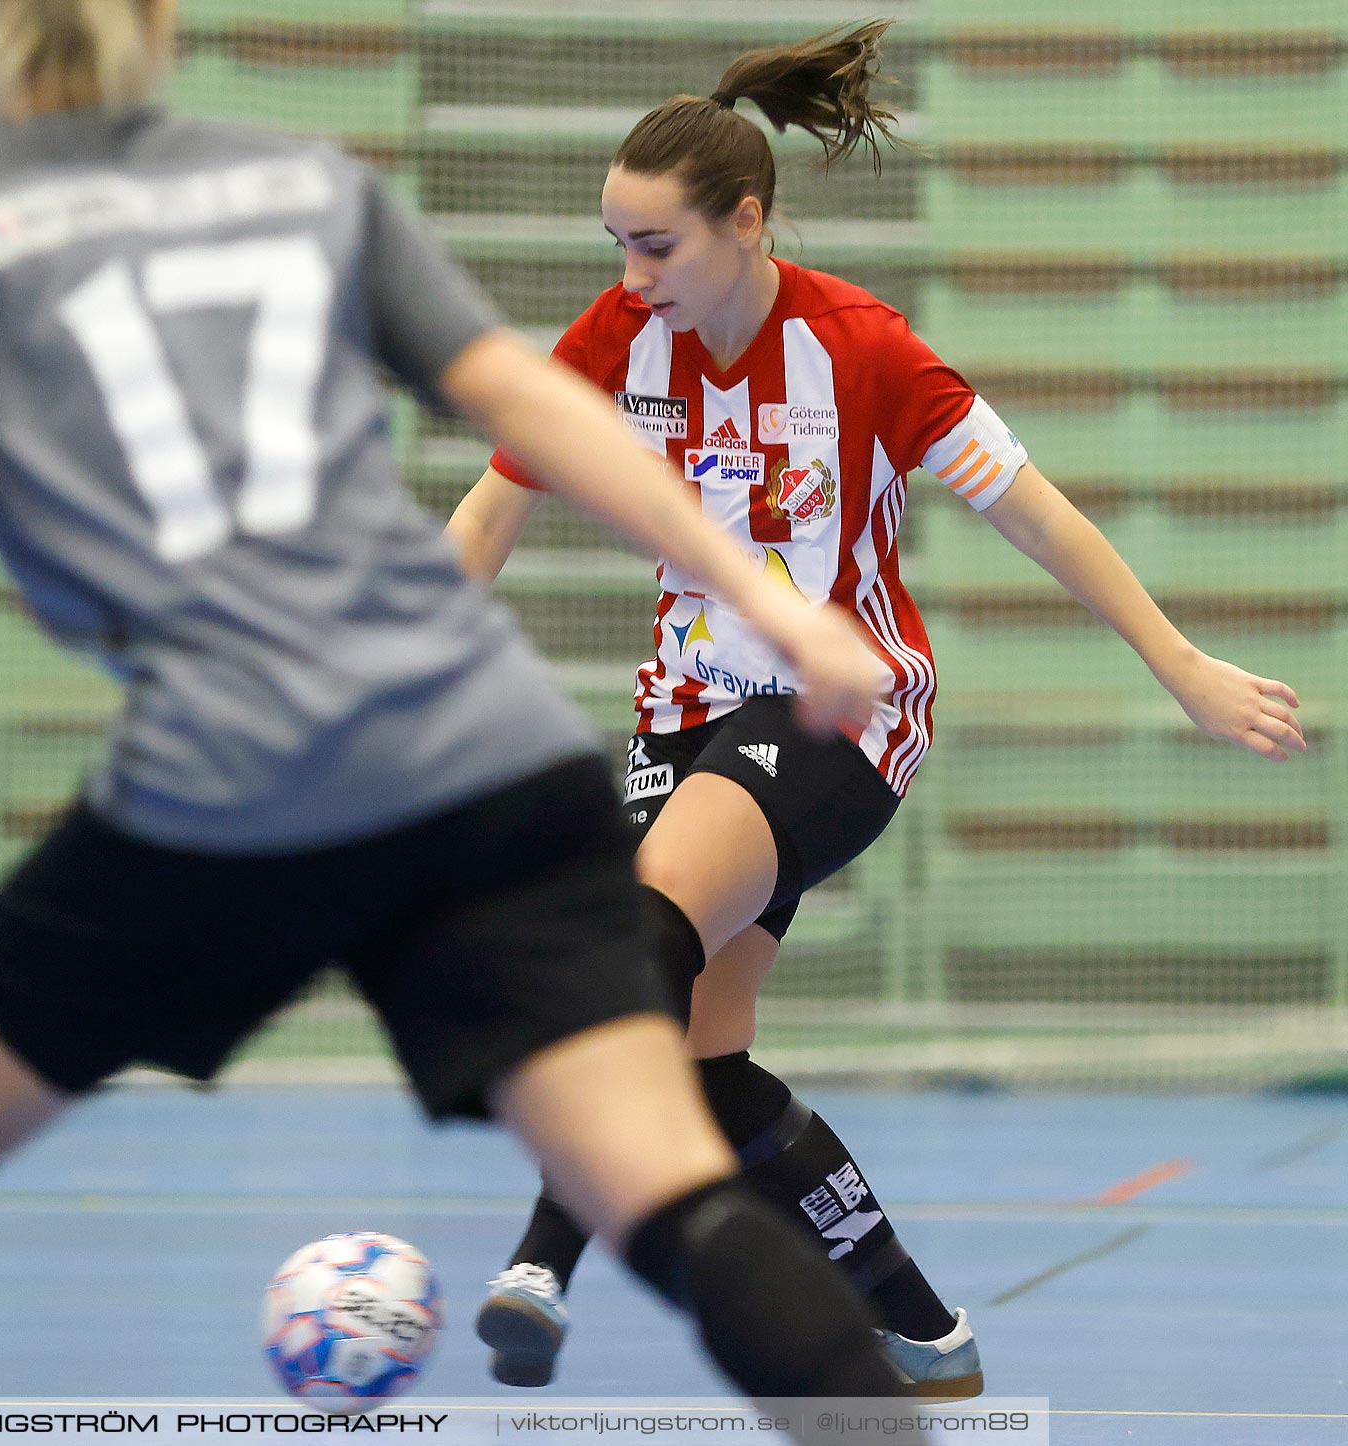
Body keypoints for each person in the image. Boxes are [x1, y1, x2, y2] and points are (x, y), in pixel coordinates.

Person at [0, 3, 940, 1442]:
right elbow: (539, 412)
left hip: (233, 765)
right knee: (670, 1197)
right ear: (161, 25)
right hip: (486, 750)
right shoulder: (306, 182)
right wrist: (773, 607)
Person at [449, 18, 1305, 1399]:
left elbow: (1045, 519)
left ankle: (545, 1255)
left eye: (654, 244)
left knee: (637, 922)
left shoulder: (863, 349)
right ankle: (920, 1321)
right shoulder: (621, 334)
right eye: (614, 242)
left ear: (747, 220)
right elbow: (496, 501)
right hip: (683, 710)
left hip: (844, 705)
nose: (628, 273)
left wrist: (1181, 664)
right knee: (705, 1061)